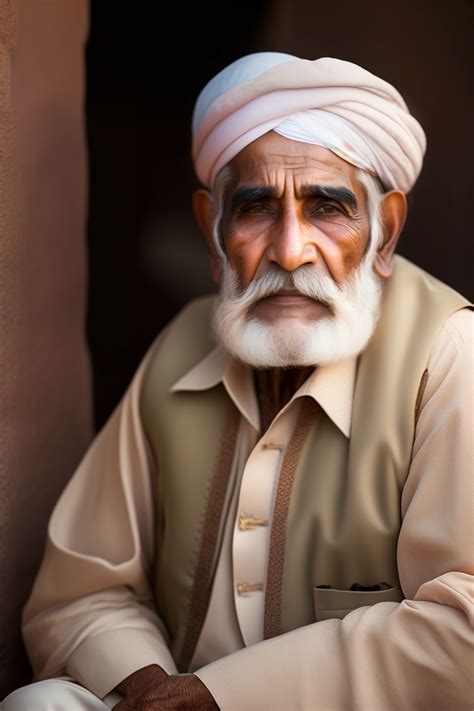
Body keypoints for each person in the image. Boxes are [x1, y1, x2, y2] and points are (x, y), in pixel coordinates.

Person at [3, 52, 472, 711]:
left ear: (385, 231)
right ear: (212, 230)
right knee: (40, 704)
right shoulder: (182, 347)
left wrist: (218, 695)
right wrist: (152, 690)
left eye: (328, 208)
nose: (288, 249)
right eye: (255, 208)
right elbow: (80, 591)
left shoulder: (446, 351)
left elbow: (466, 622)